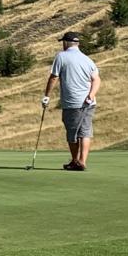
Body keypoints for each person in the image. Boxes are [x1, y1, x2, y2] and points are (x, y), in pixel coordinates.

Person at [42, 31, 100, 171]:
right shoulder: (87, 59)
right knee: (85, 132)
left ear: (66, 43)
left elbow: (54, 77)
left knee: (72, 133)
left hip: (73, 102)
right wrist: (91, 95)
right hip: (89, 102)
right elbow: (96, 79)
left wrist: (46, 96)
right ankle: (82, 161)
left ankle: (75, 161)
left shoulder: (61, 56)